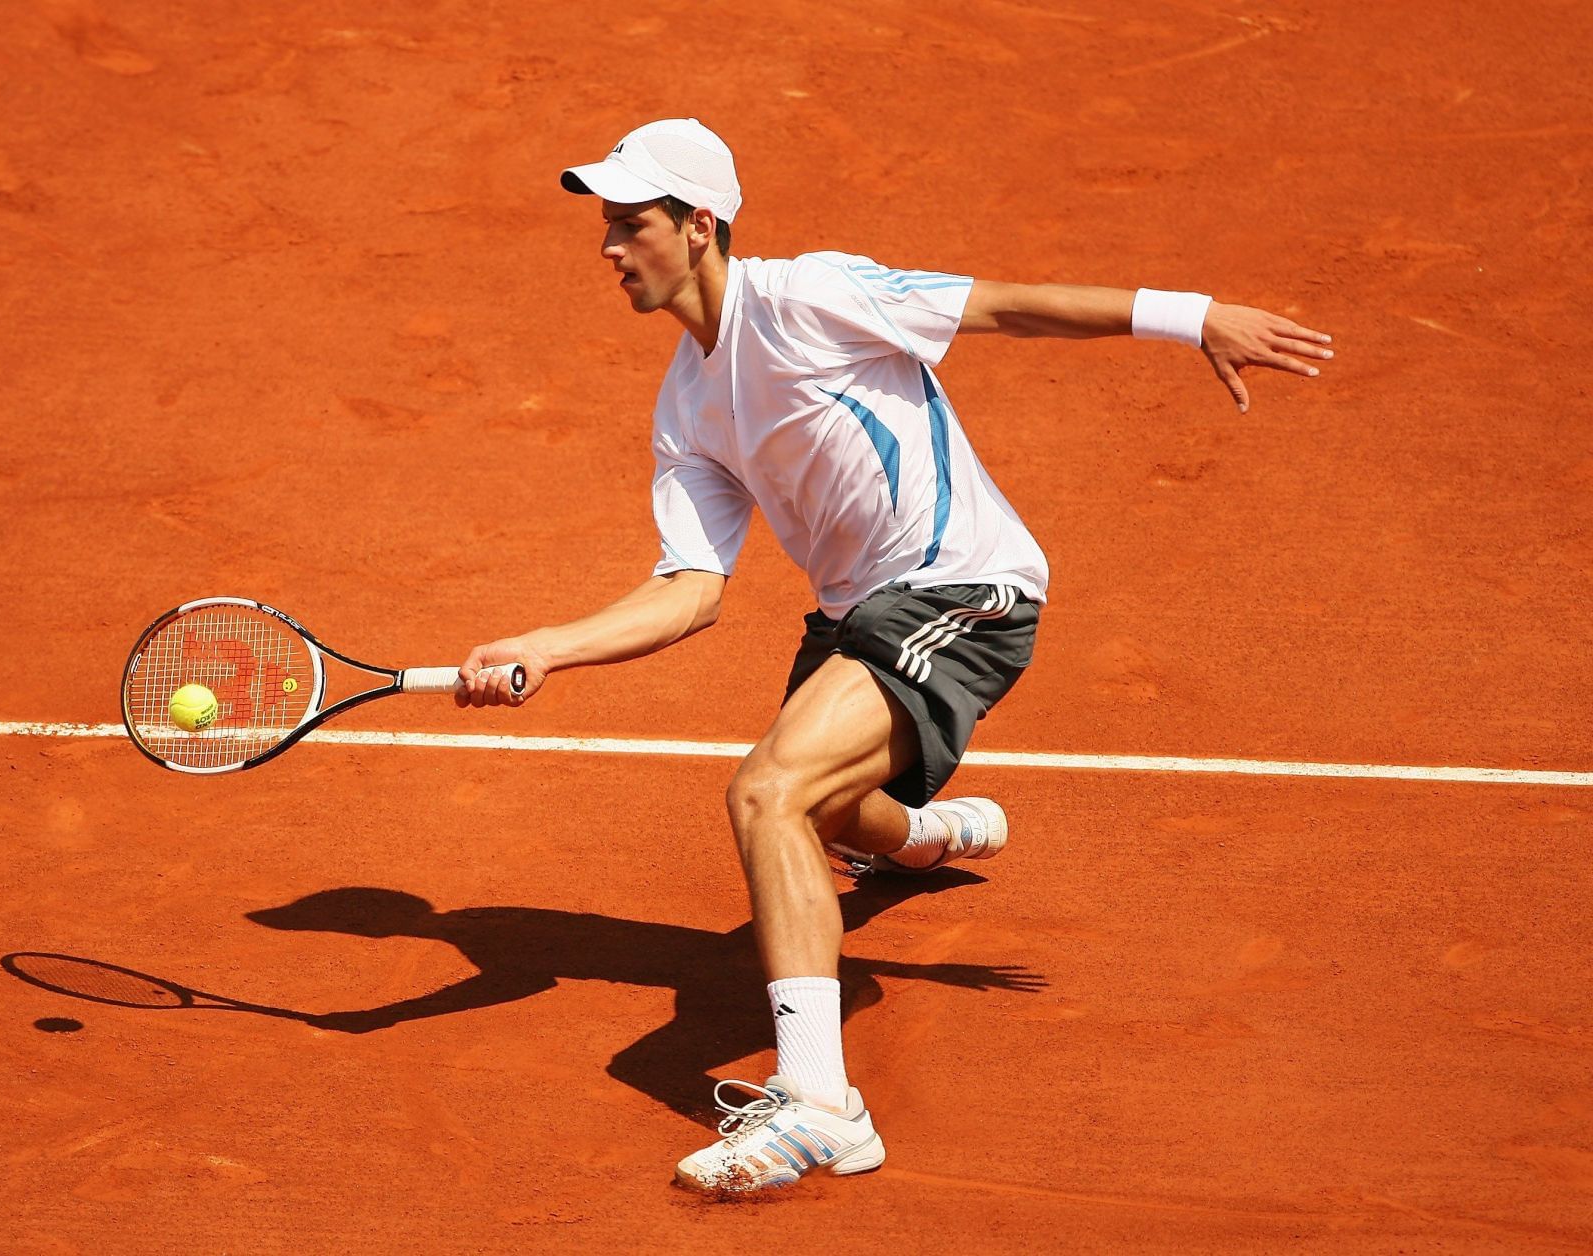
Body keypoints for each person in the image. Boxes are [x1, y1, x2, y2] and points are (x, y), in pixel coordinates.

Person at [454, 118, 1332, 1192]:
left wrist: (1192, 314)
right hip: (857, 616)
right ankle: (920, 836)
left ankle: (825, 1104)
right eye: (605, 226)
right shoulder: (687, 405)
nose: (608, 248)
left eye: (630, 224)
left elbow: (1003, 305)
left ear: (699, 225)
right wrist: (548, 645)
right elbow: (689, 591)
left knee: (767, 791)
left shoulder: (810, 295)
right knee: (821, 807)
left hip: (965, 587)